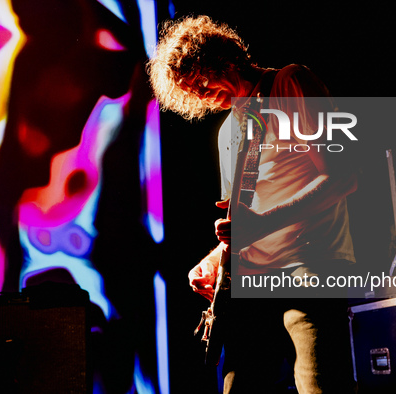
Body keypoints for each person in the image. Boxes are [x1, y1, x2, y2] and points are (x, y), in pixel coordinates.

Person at [148, 15, 357, 393]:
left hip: (310, 269)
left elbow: (342, 176)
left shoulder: (291, 82)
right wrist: (214, 259)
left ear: (222, 60)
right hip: (252, 284)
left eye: (200, 79)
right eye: (189, 91)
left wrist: (262, 224)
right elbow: (244, 218)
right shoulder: (228, 131)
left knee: (320, 385)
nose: (200, 94)